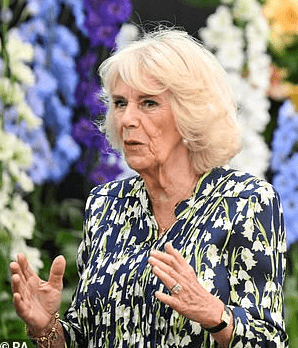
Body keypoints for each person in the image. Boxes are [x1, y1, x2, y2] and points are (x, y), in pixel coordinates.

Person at [10, 28, 288, 348]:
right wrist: (48, 328)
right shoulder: (104, 204)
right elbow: (87, 338)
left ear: (190, 113)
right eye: (119, 103)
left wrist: (215, 315)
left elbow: (269, 341)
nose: (127, 119)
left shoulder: (245, 202)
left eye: (148, 103)